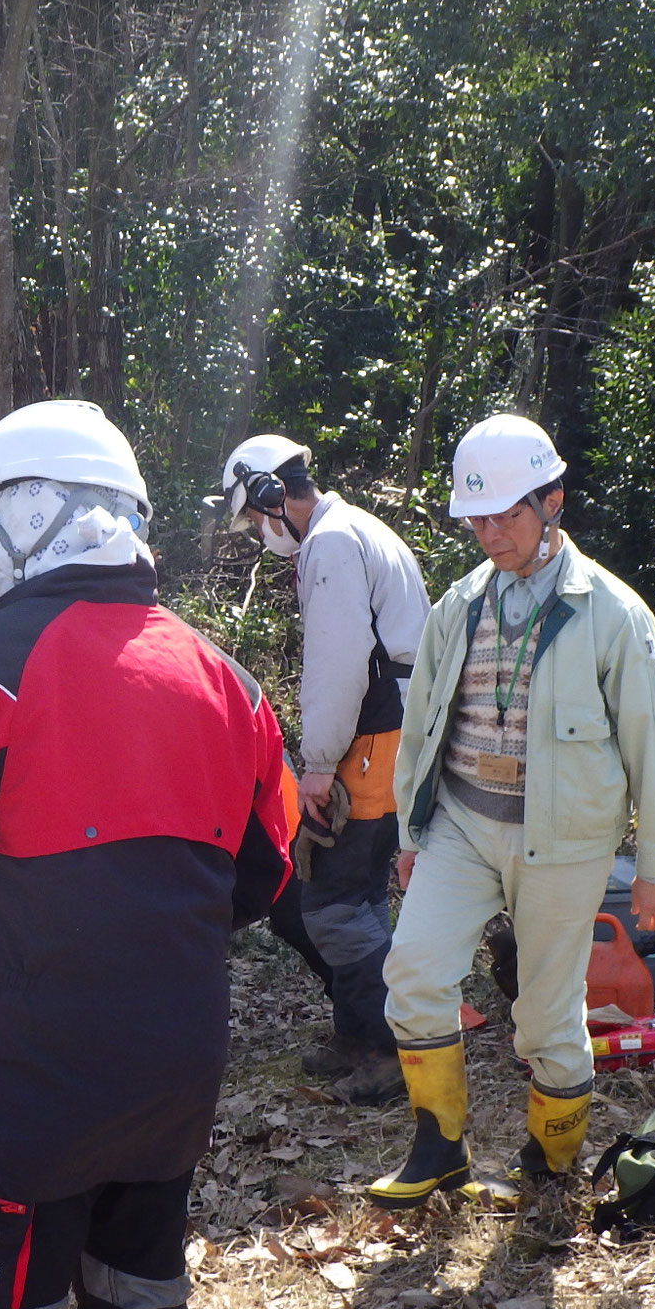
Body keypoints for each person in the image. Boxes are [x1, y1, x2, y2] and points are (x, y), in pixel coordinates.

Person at [0, 400, 291, 1309]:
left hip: (31, 1075)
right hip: (174, 1068)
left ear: (35, 515)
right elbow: (264, 874)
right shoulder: (225, 677)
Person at [373, 413, 655, 1208]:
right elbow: (421, 731)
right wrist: (412, 832)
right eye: (476, 518)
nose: (489, 533)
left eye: (506, 514)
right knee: (412, 971)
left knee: (546, 1017)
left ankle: (548, 1169)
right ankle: (438, 1150)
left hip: (564, 843)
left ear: (554, 502)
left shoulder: (612, 614)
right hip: (461, 828)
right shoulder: (459, 606)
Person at [215, 435, 430, 1103]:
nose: (258, 531)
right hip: (391, 725)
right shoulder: (358, 528)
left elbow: (337, 667)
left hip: (370, 732)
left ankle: (388, 1050)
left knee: (337, 901)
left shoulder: (332, 544)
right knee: (354, 891)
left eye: (254, 516)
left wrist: (317, 764)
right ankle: (358, 1032)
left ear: (272, 494)